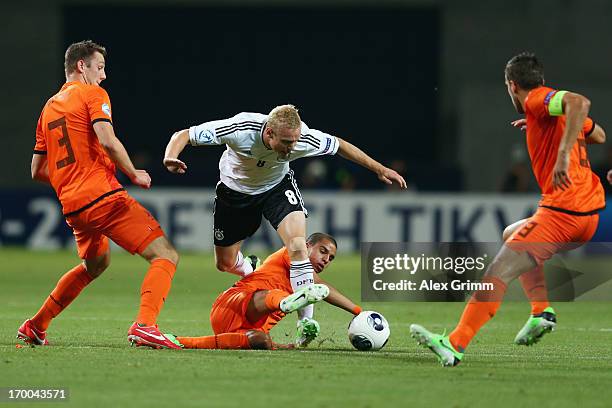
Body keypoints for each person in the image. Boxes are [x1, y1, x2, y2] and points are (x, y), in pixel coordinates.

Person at [410, 52, 606, 366]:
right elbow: (598, 134)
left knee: (495, 274)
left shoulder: (536, 100)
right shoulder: (546, 111)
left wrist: (564, 152)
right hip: (589, 217)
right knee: (510, 233)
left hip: (563, 214)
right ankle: (542, 311)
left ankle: (455, 343)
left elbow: (580, 102)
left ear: (512, 85)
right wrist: (546, 130)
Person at [163, 105, 404, 339]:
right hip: (235, 193)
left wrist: (379, 168)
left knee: (298, 246)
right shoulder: (240, 128)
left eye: (295, 141)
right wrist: (170, 156)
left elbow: (340, 145)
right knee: (224, 263)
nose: (292, 148)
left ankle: (306, 322)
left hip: (276, 188)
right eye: (287, 143)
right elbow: (184, 134)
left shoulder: (304, 139)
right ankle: (250, 267)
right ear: (269, 133)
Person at [18, 40, 181, 350]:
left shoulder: (48, 109)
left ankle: (36, 326)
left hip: (73, 205)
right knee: (166, 255)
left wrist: (71, 180)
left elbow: (37, 170)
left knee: (95, 264)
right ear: (82, 66)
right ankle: (145, 326)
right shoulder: (93, 94)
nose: (104, 76)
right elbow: (107, 140)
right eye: (100, 67)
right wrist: (134, 173)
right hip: (103, 196)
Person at [166, 233, 362, 350]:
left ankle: (177, 341)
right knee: (269, 296)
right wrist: (357, 312)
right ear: (307, 246)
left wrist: (357, 312)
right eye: (323, 251)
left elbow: (317, 289)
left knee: (262, 340)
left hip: (241, 330)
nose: (327, 259)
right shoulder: (292, 251)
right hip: (233, 304)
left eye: (331, 258)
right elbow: (317, 287)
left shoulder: (308, 283)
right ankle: (286, 302)